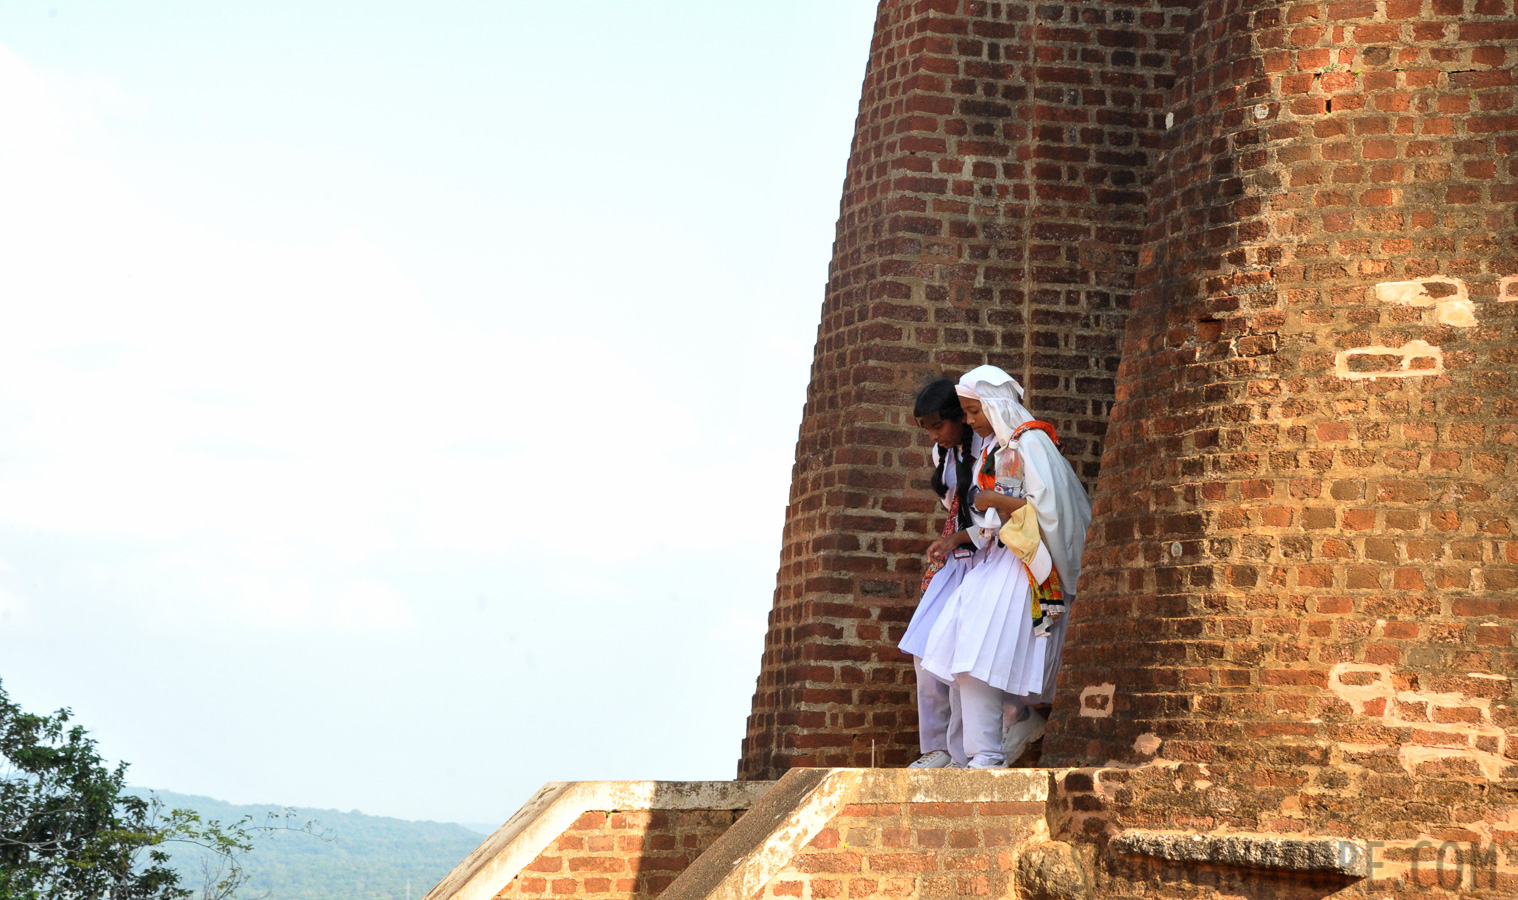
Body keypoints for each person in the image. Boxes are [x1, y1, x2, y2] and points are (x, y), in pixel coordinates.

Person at [920, 365, 1091, 768]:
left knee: (978, 651)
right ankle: (975, 753)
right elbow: (1000, 519)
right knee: (957, 648)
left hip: (1023, 563)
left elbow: (1044, 509)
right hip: (998, 557)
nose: (970, 421)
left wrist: (991, 501)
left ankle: (987, 753)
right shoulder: (1001, 448)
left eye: (974, 412)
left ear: (994, 407)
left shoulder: (1029, 443)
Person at [899, 378, 987, 768]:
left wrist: (958, 539)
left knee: (962, 652)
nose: (934, 436)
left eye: (939, 426)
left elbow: (995, 517)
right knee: (925, 646)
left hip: (989, 559)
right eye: (929, 430)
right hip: (957, 560)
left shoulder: (989, 449)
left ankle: (961, 751)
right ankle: (934, 747)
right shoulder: (944, 454)